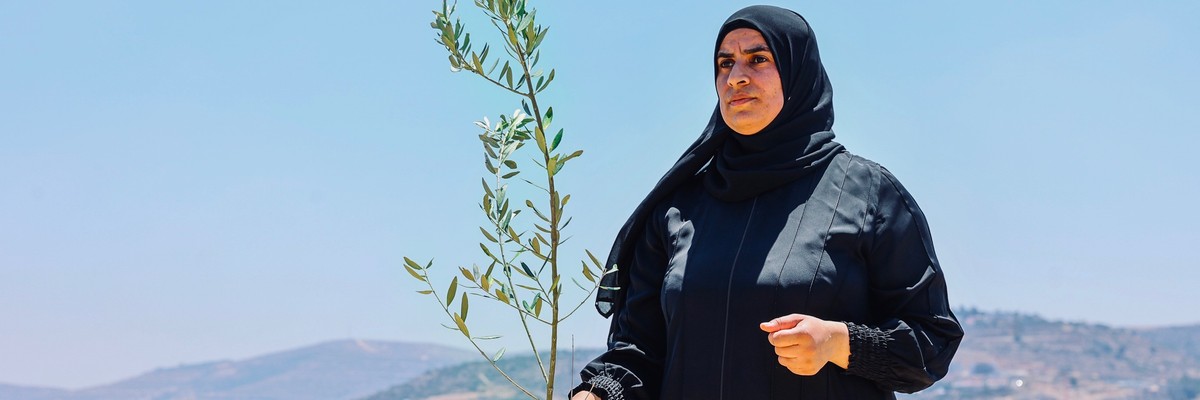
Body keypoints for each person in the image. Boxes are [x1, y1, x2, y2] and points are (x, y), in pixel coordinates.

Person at [569, 5, 964, 400]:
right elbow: (639, 351)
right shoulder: (677, 209)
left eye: (758, 59)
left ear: (798, 73)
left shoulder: (868, 195)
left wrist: (837, 343)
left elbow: (933, 342)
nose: (736, 78)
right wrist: (600, 393)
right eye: (725, 64)